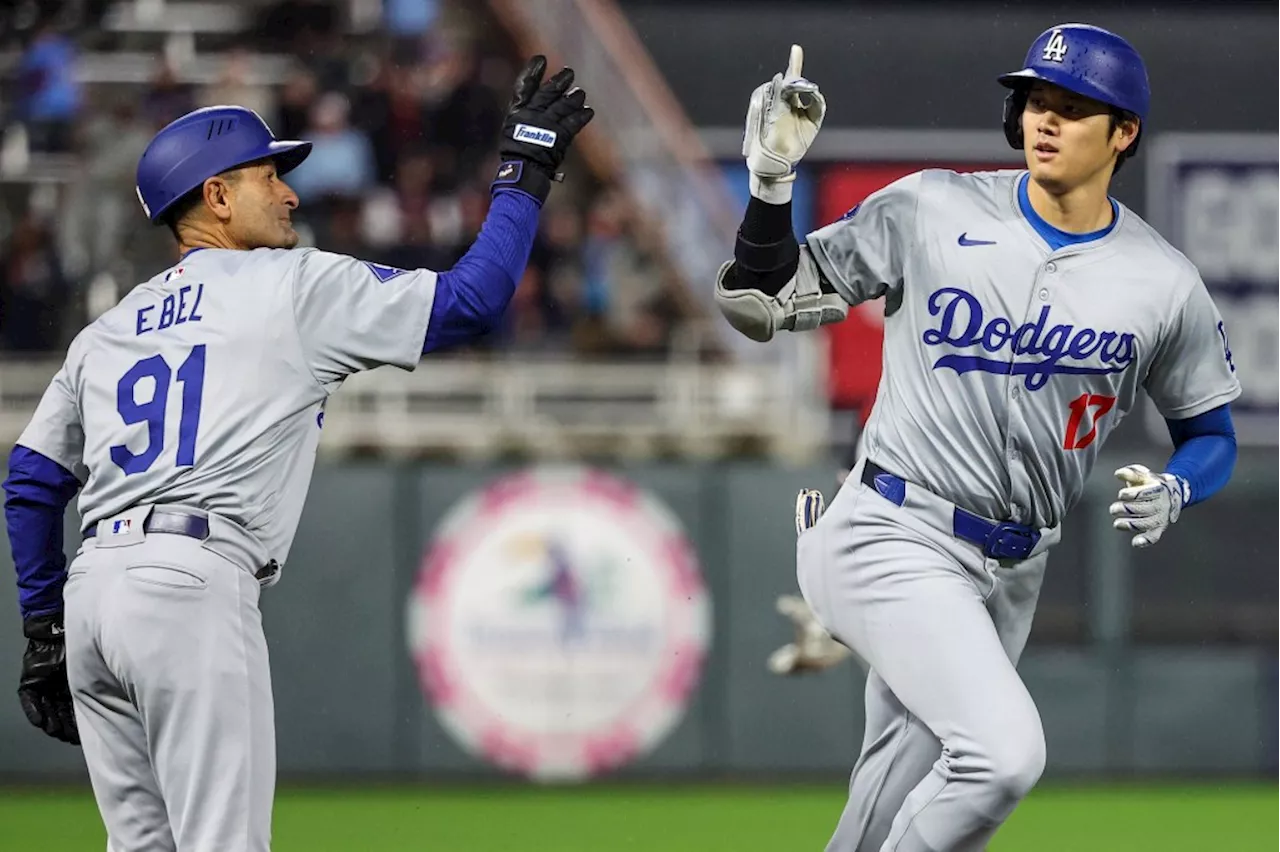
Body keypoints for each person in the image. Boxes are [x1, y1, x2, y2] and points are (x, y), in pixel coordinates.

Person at [5, 56, 592, 851]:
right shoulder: (290, 284)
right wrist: (526, 167)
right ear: (214, 197)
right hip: (190, 584)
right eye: (265, 176)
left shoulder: (105, 332)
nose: (287, 192)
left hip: (93, 600)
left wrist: (44, 629)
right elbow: (473, 301)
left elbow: (33, 480)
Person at [717, 29, 1240, 852]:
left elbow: (1211, 434)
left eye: (1074, 108)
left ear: (1124, 133)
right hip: (892, 526)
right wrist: (771, 185)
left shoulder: (1162, 280)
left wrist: (1179, 486)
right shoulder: (932, 206)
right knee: (1001, 757)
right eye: (1037, 101)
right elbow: (763, 298)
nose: (1047, 120)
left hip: (1009, 571)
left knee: (890, 800)